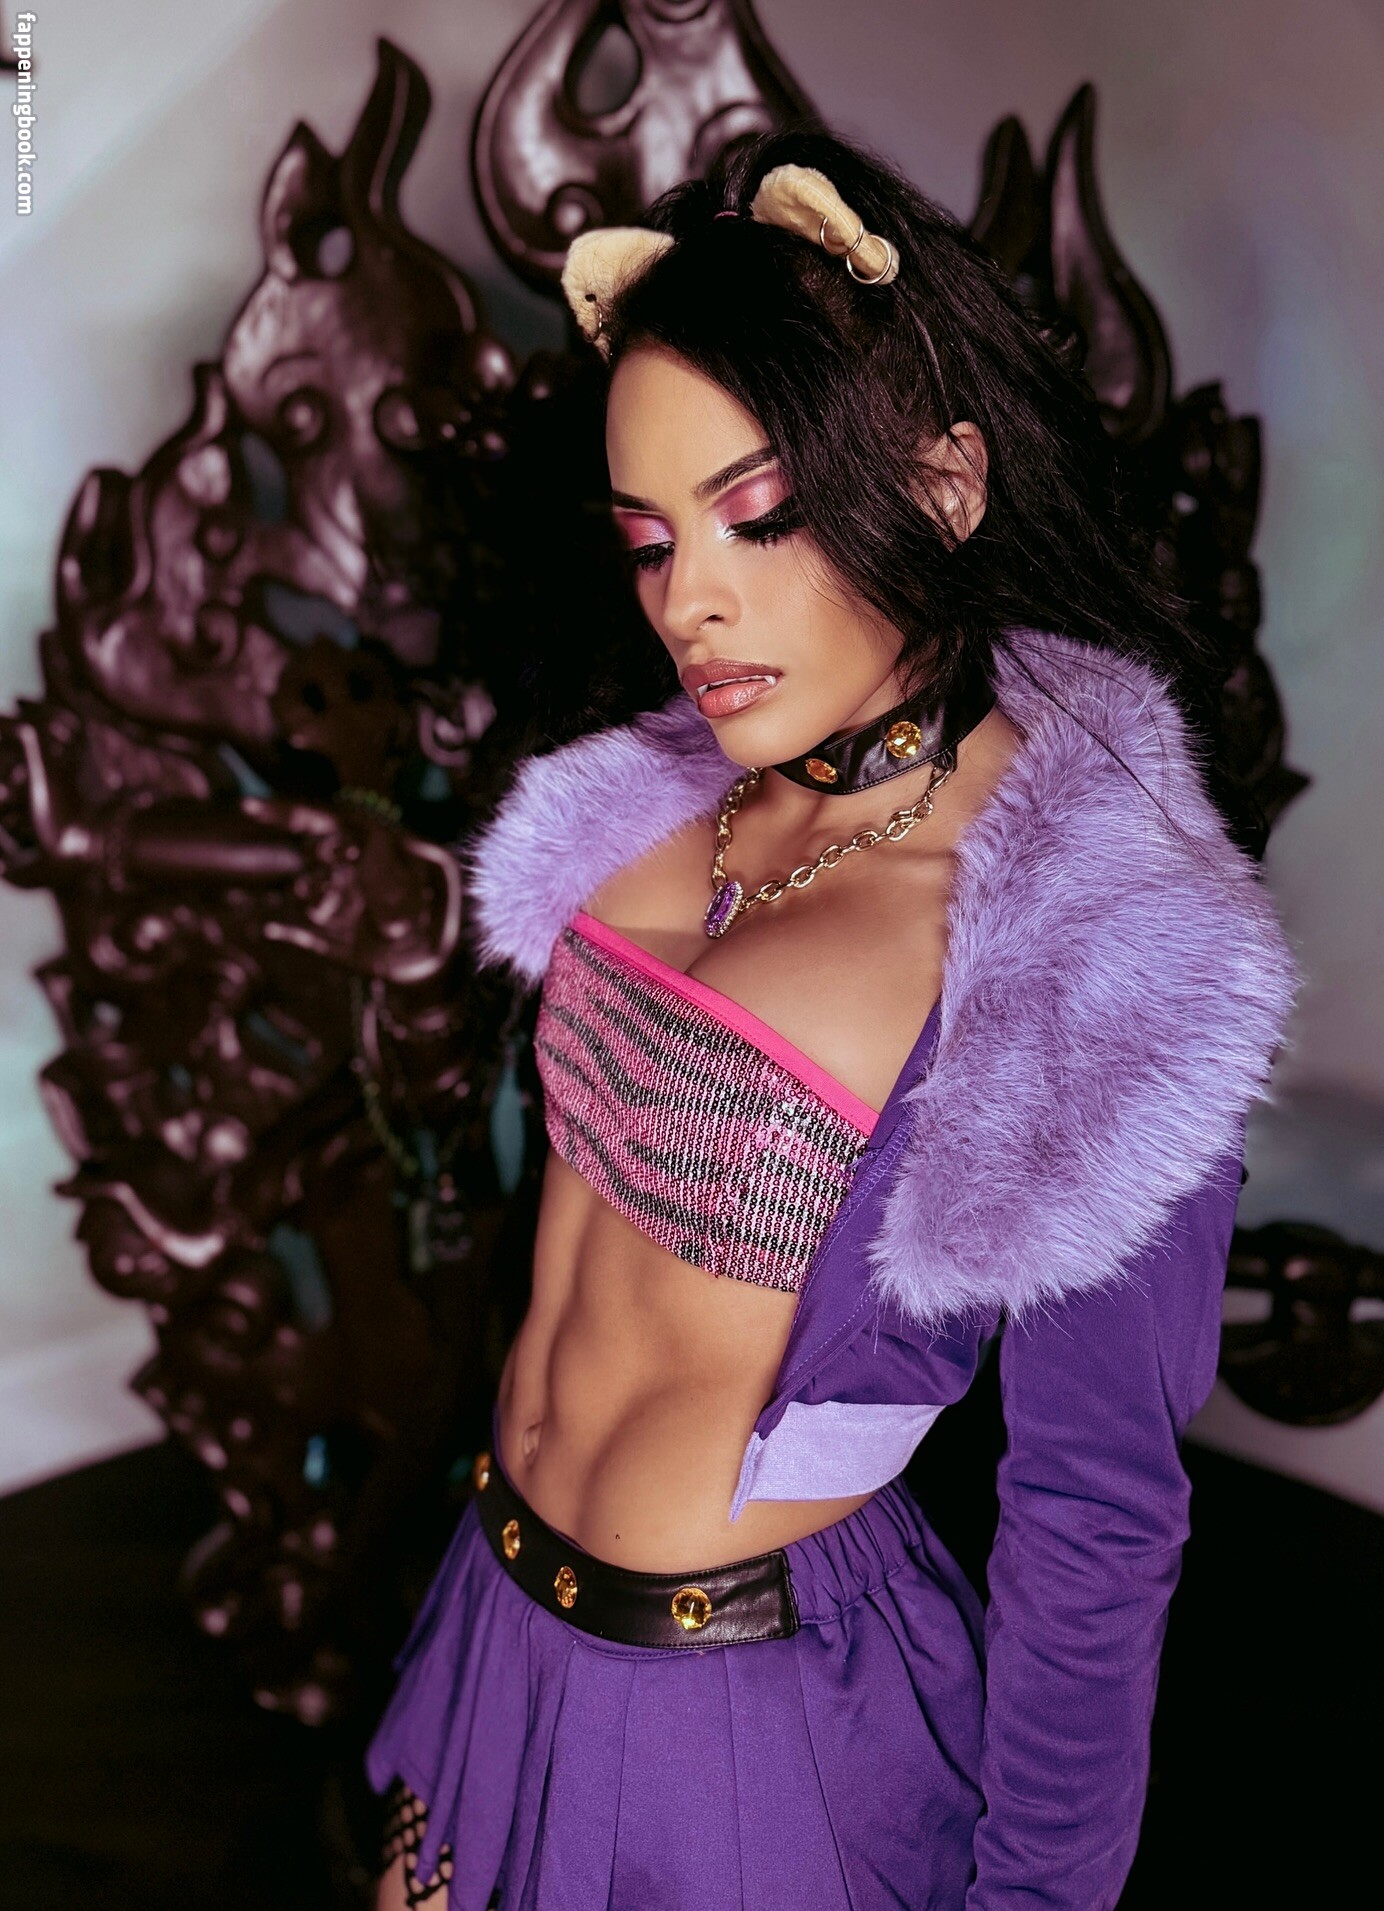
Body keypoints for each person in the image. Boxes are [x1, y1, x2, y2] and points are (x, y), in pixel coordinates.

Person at [366, 128, 1300, 1910]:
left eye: (760, 515)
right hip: (493, 1611)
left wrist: (1039, 1902)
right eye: (650, 539)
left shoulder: (1106, 940)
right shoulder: (660, 793)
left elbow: (1096, 1514)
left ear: (943, 486)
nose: (689, 601)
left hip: (742, 1732)